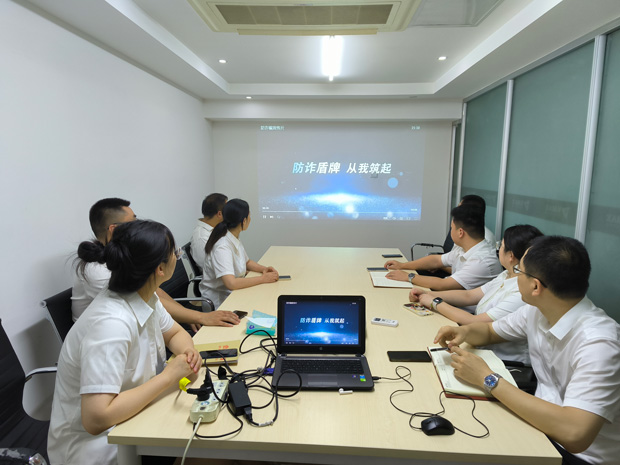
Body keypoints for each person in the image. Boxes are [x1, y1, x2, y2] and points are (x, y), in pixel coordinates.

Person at [434, 236, 620, 465]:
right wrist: (464, 331)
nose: (515, 277)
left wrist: (487, 378)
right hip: (539, 428)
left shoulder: (599, 344)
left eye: (519, 272)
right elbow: (490, 331)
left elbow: (575, 434)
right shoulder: (538, 310)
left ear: (535, 286)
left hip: (578, 457)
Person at [48, 220, 201, 465]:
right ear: (160, 269)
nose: (177, 256)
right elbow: (96, 418)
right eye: (175, 252)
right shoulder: (111, 324)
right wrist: (169, 376)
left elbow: (174, 333)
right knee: (215, 452)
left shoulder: (145, 296)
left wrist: (188, 353)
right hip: (101, 449)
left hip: (138, 419)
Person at [72, 198, 239, 328]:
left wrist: (187, 315)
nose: (139, 228)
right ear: (114, 230)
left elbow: (153, 291)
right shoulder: (97, 271)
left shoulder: (124, 257)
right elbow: (143, 298)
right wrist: (198, 317)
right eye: (134, 223)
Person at [409, 224, 543, 364]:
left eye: (501, 246)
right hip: (477, 347)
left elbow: (475, 321)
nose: (498, 249)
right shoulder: (506, 275)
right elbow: (469, 296)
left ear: (511, 256)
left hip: (501, 361)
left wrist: (435, 302)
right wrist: (426, 294)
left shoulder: (522, 293)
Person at [385, 204, 501, 291]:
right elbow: (436, 260)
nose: (451, 231)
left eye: (452, 228)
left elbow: (443, 285)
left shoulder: (481, 261)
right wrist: (402, 265)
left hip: (462, 311)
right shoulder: (464, 248)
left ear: (460, 232)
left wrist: (408, 276)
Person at [200, 199, 279, 309]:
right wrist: (263, 279)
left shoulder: (232, 236)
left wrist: (264, 269)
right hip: (221, 303)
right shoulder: (222, 246)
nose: (250, 219)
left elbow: (247, 262)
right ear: (244, 221)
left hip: (235, 293)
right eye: (249, 216)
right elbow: (231, 283)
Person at [190, 193, 227, 269]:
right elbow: (213, 268)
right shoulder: (202, 238)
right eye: (227, 209)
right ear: (219, 214)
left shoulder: (217, 228)